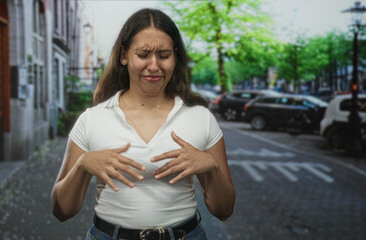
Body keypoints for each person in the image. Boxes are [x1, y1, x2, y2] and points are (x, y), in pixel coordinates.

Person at [51, 8, 235, 240]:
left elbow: (224, 210)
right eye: (143, 54)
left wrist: (211, 165)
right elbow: (61, 210)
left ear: (175, 57)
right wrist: (82, 164)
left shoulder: (200, 118)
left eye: (164, 55)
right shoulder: (92, 119)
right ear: (124, 55)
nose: (154, 65)